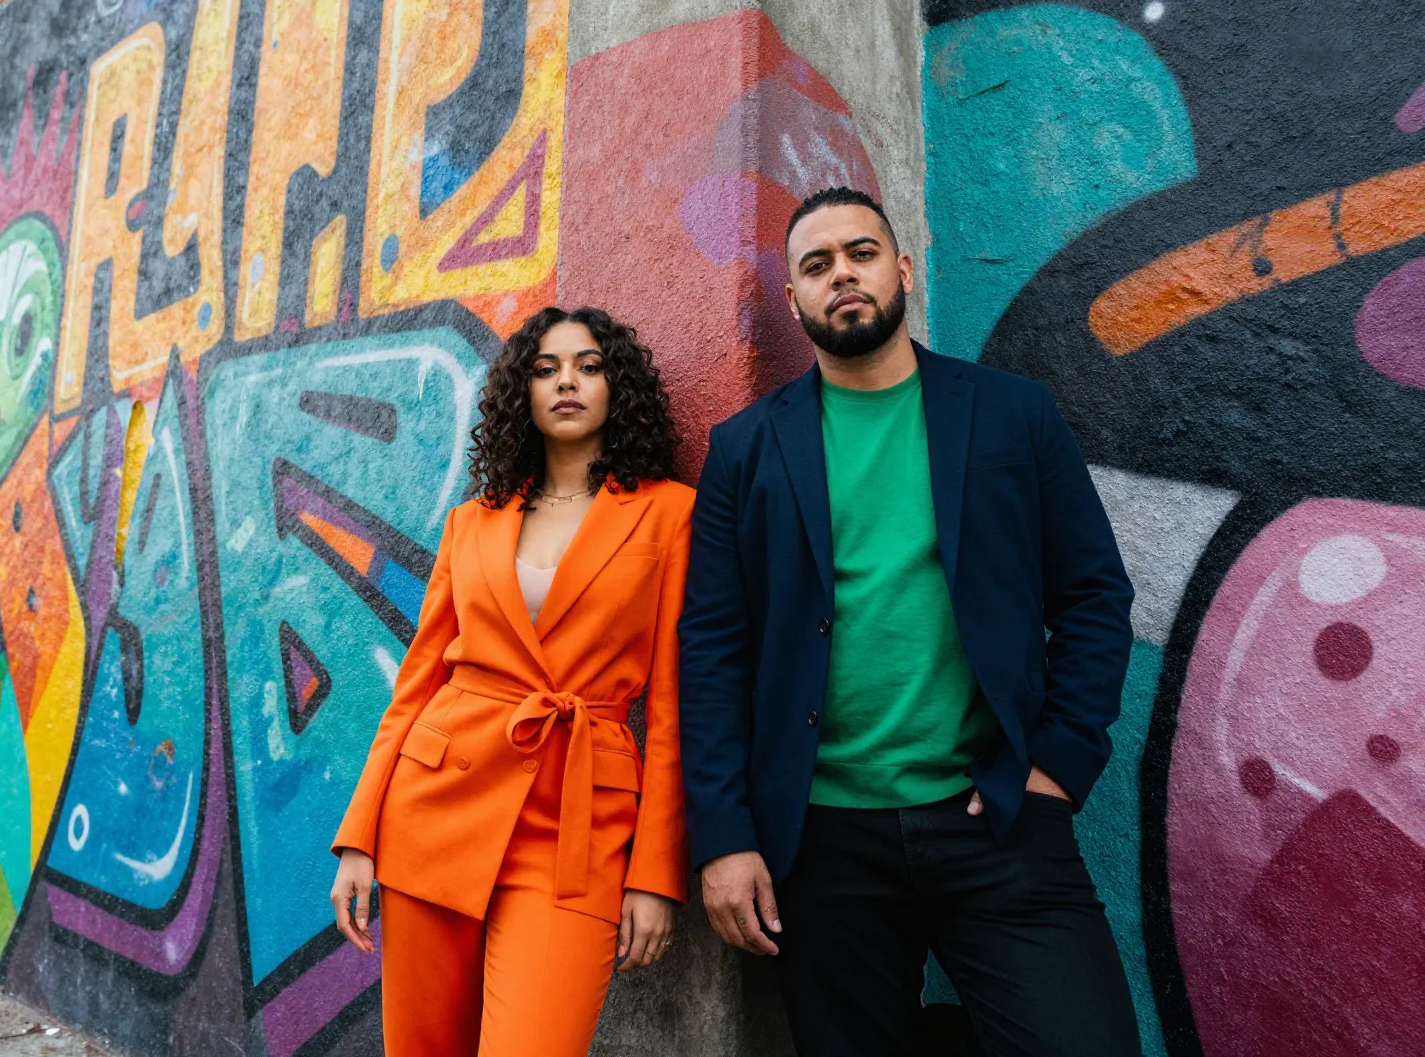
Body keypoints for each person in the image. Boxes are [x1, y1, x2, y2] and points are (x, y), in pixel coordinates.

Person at [678, 188, 1142, 1056]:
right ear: (794, 302)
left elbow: (1092, 596)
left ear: (903, 269)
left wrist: (1056, 767)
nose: (841, 274)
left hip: (998, 819)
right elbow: (711, 651)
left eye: (860, 253)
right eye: (815, 266)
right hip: (819, 847)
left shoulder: (1012, 412)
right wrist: (724, 838)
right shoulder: (744, 448)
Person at [331, 306, 694, 1057]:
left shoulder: (669, 515)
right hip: (435, 811)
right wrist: (360, 837)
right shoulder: (474, 521)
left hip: (576, 828)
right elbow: (418, 684)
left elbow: (672, 710)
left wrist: (656, 875)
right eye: (546, 368)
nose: (567, 382)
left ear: (617, 388)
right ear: (520, 393)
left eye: (589, 366)